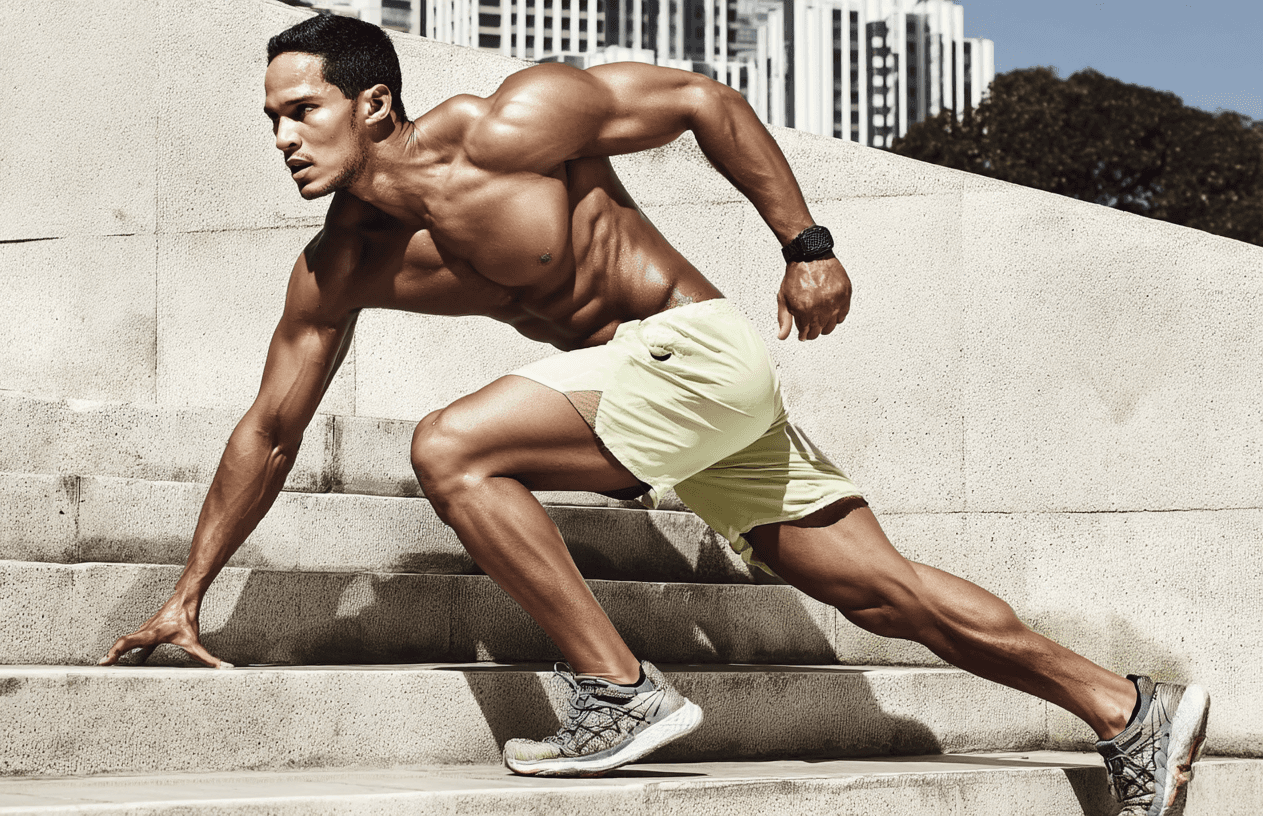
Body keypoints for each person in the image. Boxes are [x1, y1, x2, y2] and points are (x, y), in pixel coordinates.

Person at [100, 13, 1208, 812]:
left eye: (302, 111)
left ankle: (616, 693)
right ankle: (1126, 710)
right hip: (649, 399)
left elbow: (699, 100)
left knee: (452, 450)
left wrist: (806, 246)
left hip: (689, 349)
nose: (284, 137)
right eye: (271, 120)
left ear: (372, 104)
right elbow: (271, 429)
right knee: (880, 592)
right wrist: (188, 595)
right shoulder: (340, 263)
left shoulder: (507, 124)